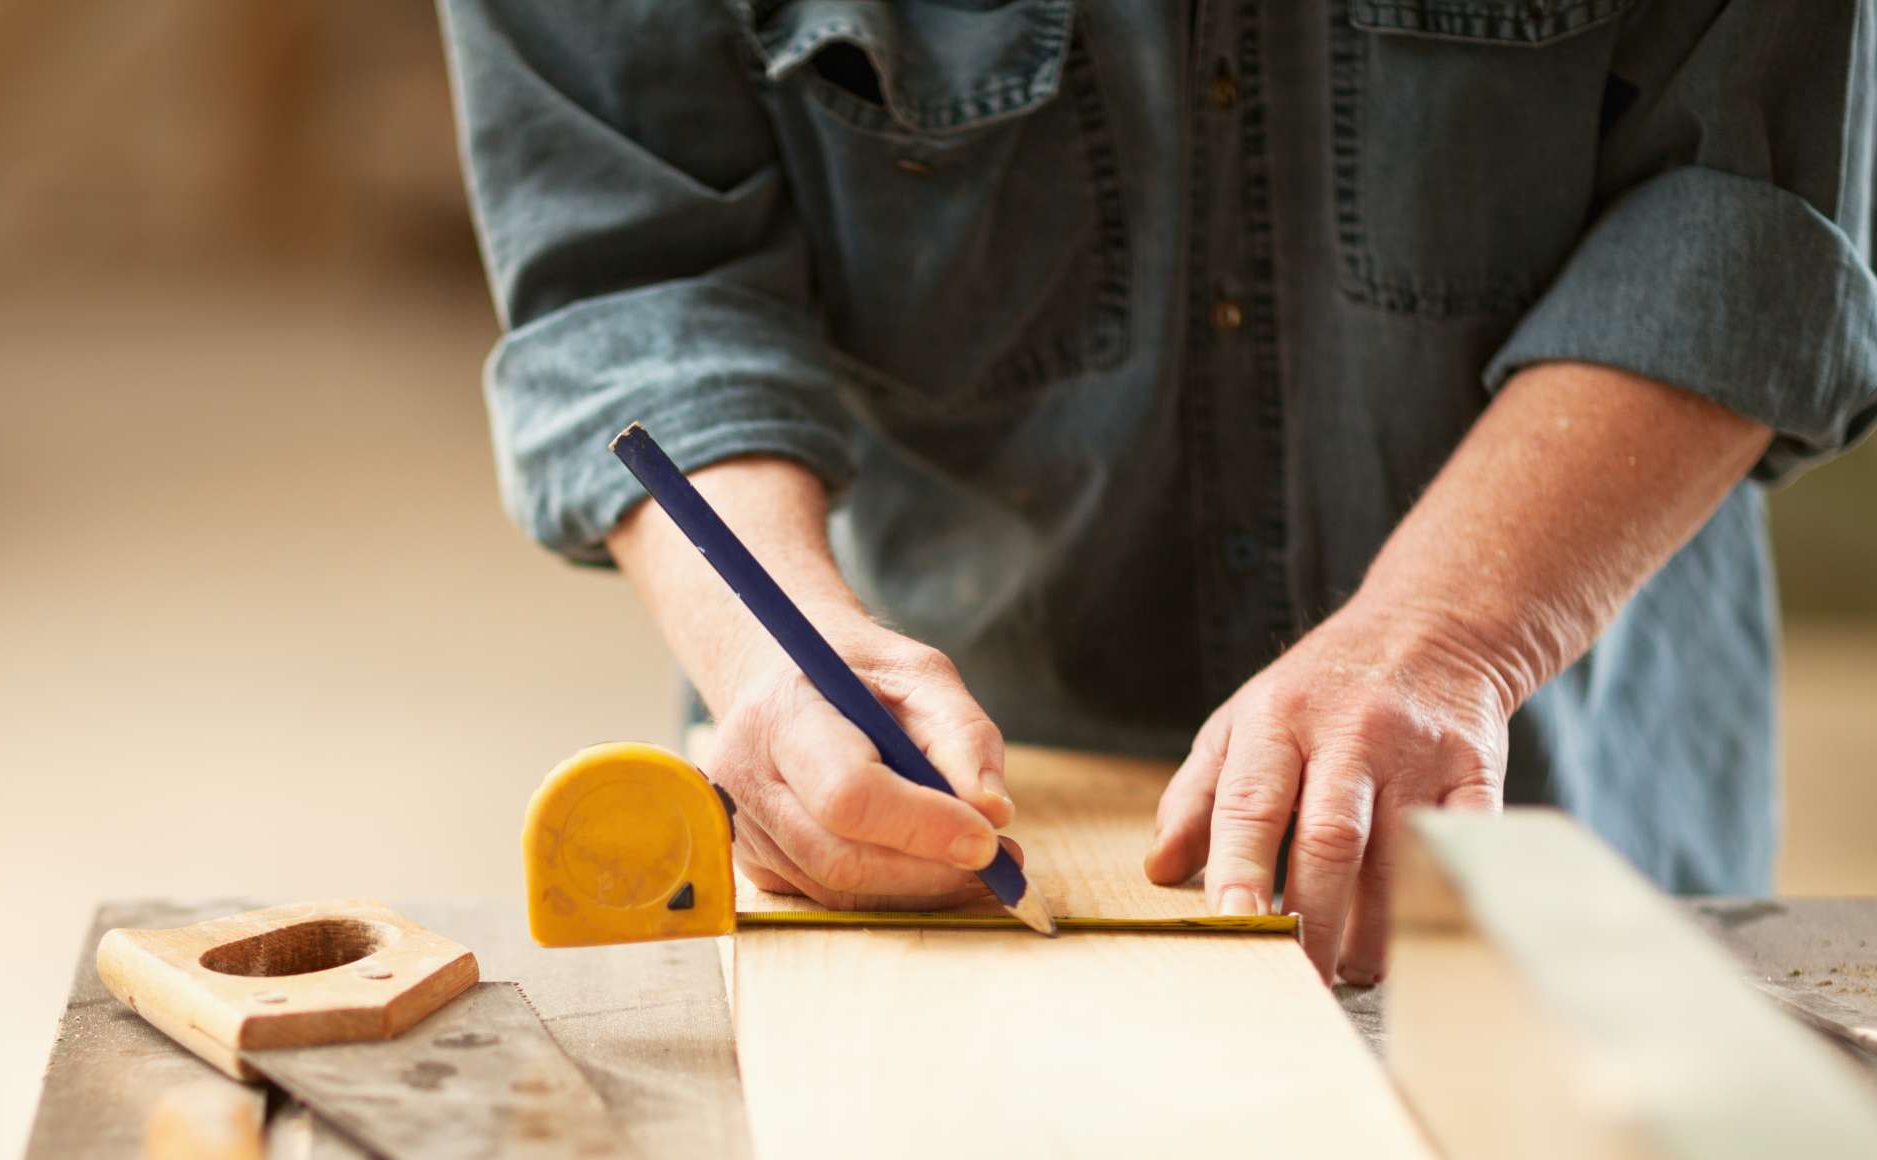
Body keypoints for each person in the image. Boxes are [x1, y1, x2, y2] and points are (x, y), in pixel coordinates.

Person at [435, 1, 1877, 985]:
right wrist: (777, 647)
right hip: (953, 818)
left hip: (1559, 769)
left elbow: (1748, 213)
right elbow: (640, 266)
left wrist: (1453, 639)